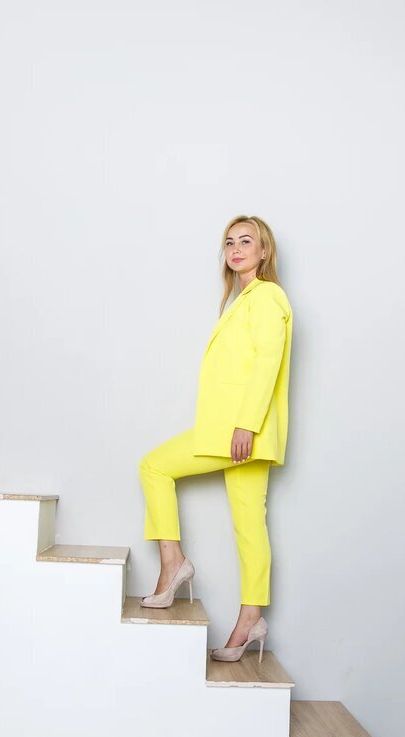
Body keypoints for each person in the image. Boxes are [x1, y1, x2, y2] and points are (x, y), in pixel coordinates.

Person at [137, 215, 292, 663]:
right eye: (229, 243)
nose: (236, 249)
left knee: (154, 466)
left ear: (264, 251)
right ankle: (251, 619)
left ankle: (173, 565)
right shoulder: (240, 301)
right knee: (250, 525)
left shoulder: (267, 296)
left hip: (237, 431)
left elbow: (267, 363)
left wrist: (246, 424)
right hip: (242, 432)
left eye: (246, 241)